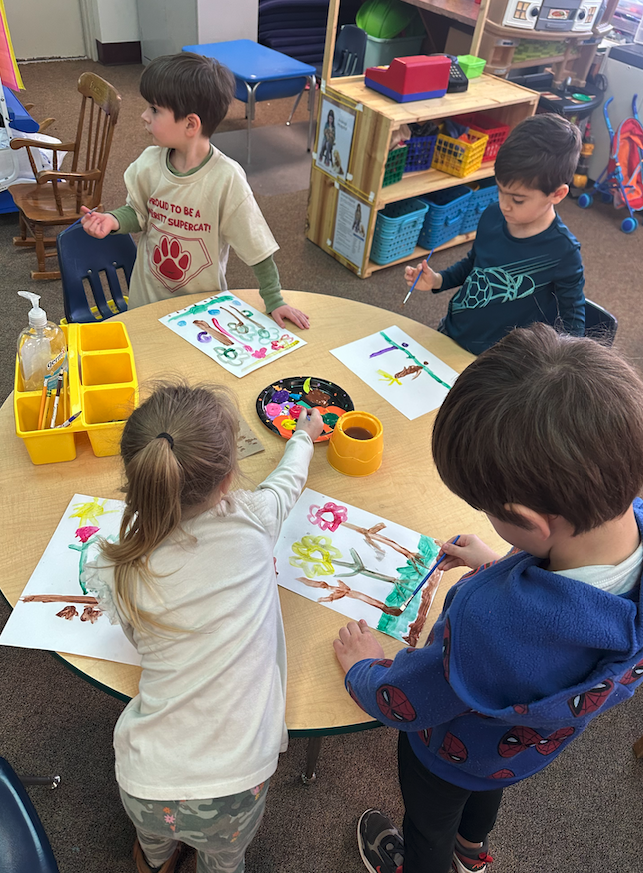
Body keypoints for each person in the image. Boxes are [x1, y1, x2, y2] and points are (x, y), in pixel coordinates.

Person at [333, 324, 643, 873]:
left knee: (429, 823)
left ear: (527, 522)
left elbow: (411, 696)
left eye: (491, 511)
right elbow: (574, 609)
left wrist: (362, 671)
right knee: (484, 794)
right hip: (522, 747)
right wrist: (504, 565)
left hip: (451, 752)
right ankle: (473, 849)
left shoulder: (491, 621)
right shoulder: (623, 523)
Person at [82, 381, 323, 873]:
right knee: (223, 860)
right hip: (236, 784)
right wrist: (303, 435)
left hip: (145, 778)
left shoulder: (110, 564)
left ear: (137, 475)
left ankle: (155, 862)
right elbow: (287, 482)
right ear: (227, 478)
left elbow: (137, 639)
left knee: (152, 843)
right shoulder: (253, 519)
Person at [81, 51, 309, 331]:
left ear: (191, 124)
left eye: (154, 109)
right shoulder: (149, 163)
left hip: (201, 313)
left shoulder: (226, 179)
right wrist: (113, 220)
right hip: (145, 304)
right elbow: (138, 213)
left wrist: (274, 299)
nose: (143, 116)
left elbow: (257, 246)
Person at [404, 114, 585, 354]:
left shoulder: (563, 252)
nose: (504, 205)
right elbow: (474, 264)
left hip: (497, 361)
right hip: (453, 330)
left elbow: (574, 324)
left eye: (518, 200)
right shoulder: (493, 214)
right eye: (501, 191)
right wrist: (438, 280)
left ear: (557, 195)